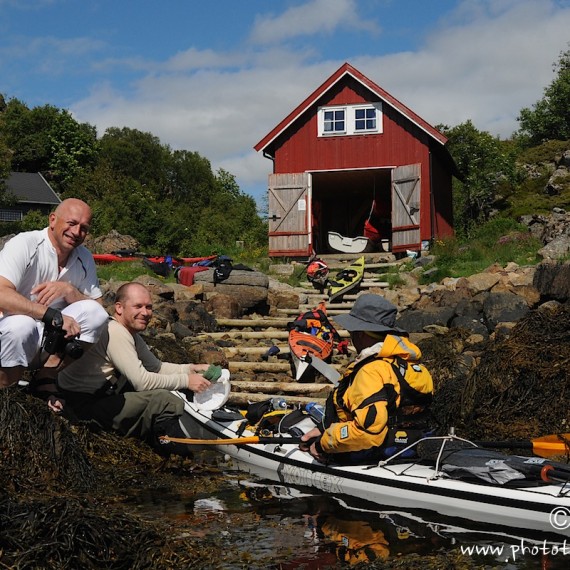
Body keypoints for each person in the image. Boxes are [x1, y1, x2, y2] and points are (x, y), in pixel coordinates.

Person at [57, 282, 216, 456]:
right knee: (165, 400)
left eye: (149, 307)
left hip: (99, 397)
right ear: (119, 308)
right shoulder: (115, 332)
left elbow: (156, 367)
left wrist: (190, 369)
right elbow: (142, 382)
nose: (145, 313)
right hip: (81, 407)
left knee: (158, 390)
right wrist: (186, 381)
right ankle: (177, 452)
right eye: (138, 306)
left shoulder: (129, 332)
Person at [0, 198, 109, 411]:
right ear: (52, 220)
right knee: (22, 325)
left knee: (96, 315)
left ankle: (45, 377)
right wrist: (52, 315)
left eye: (84, 228)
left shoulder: (83, 257)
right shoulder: (26, 244)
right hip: (8, 332)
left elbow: (99, 308)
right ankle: (6, 391)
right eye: (71, 223)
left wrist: (70, 291)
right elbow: (2, 293)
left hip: (45, 341)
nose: (77, 232)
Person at [300, 294, 433, 465]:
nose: (351, 337)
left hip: (373, 455)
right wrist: (322, 429)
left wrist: (322, 444)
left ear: (361, 334)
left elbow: (368, 431)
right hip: (411, 449)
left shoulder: (370, 371)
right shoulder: (413, 366)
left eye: (352, 331)